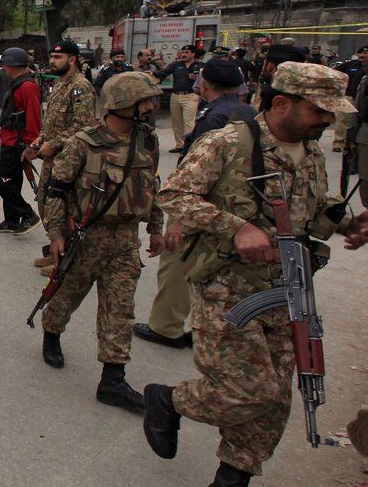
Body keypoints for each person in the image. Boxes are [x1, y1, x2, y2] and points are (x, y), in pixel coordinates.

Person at [143, 62, 368, 485]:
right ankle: (169, 400)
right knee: (249, 390)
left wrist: (345, 222)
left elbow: (309, 207)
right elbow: (173, 194)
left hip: (288, 288)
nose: (328, 120)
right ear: (282, 102)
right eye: (319, 110)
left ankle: (232, 478)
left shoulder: (313, 152)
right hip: (228, 287)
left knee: (277, 398)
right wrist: (237, 226)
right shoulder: (228, 143)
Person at [39, 72, 164, 413]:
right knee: (67, 297)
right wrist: (55, 235)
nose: (152, 107)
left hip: (126, 241)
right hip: (86, 237)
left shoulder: (148, 141)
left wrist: (156, 227)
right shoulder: (84, 142)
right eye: (145, 101)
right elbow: (56, 191)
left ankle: (113, 379)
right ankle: (51, 332)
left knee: (120, 310)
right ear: (123, 103)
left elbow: (153, 186)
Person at [133, 58, 258, 349]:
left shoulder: (212, 119)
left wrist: (177, 218)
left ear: (205, 84)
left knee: (176, 264)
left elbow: (192, 169)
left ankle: (166, 327)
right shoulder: (248, 112)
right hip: (234, 205)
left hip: (200, 203)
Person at [28, 40, 97, 272]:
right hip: (52, 156)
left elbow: (83, 127)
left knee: (63, 206)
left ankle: (66, 259)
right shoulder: (59, 84)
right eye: (52, 57)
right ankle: (54, 248)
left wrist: (54, 144)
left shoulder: (81, 87)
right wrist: (42, 137)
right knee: (45, 203)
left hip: (69, 158)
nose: (52, 61)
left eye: (58, 58)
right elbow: (55, 121)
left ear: (73, 60)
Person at [0, 47, 42, 236]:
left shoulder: (27, 86)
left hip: (17, 144)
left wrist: (31, 146)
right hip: (10, 141)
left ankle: (28, 214)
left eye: (4, 64)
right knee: (12, 180)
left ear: (11, 64)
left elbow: (34, 117)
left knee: (2, 181)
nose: (2, 67)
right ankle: (12, 220)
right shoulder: (17, 83)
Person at [154, 45, 204, 152]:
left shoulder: (200, 66)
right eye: (183, 52)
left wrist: (196, 79)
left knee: (189, 122)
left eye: (186, 52)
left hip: (191, 96)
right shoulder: (176, 65)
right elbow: (164, 73)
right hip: (175, 96)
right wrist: (152, 73)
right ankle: (180, 145)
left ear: (193, 54)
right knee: (176, 122)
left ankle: (189, 146)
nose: (184, 55)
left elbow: (206, 79)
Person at [333, 45, 368, 153]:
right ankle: (339, 143)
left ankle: (354, 143)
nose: (363, 55)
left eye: (366, 53)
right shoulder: (350, 65)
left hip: (363, 100)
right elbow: (334, 72)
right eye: (361, 53)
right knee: (342, 120)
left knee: (358, 122)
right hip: (348, 96)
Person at [352, 73, 368, 207]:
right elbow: (357, 108)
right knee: (365, 179)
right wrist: (351, 136)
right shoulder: (366, 80)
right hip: (366, 133)